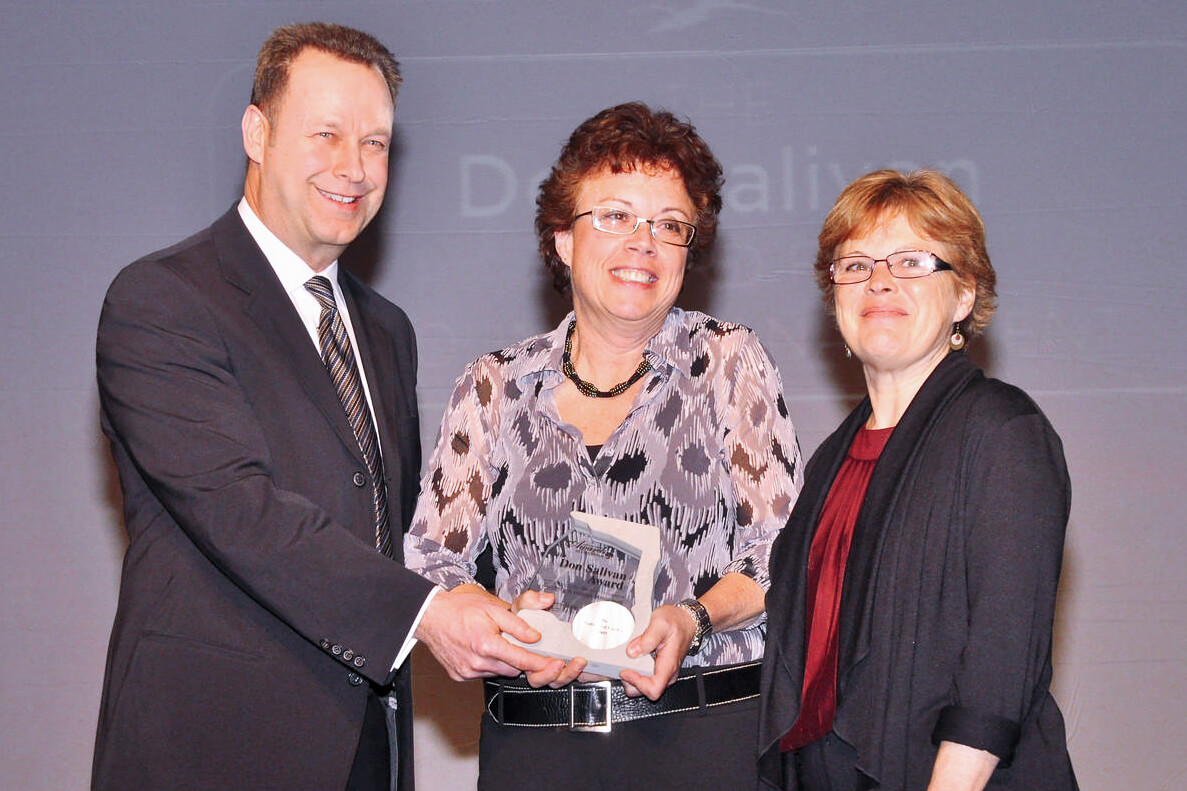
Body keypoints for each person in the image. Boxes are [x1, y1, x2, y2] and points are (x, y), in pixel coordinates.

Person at [92, 22, 551, 791]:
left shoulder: (384, 329)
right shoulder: (163, 300)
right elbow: (241, 511)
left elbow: (396, 526)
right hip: (211, 744)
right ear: (256, 132)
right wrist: (427, 616)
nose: (353, 167)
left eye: (374, 143)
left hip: (366, 747)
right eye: (327, 134)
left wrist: (494, 594)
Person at [405, 102, 803, 790]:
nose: (643, 242)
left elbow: (782, 552)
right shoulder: (493, 383)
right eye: (616, 216)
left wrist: (692, 616)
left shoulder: (727, 362)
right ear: (561, 236)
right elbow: (431, 560)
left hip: (702, 742)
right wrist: (507, 629)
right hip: (536, 747)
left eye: (669, 225)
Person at [758, 169, 1077, 790]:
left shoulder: (1003, 431)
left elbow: (1001, 656)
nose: (879, 281)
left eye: (911, 261)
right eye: (855, 265)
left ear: (963, 297)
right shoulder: (830, 461)